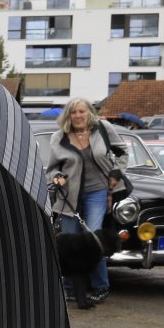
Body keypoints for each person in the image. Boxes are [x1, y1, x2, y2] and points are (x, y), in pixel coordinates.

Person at [46, 97, 127, 303]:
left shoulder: (103, 129)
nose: (78, 116)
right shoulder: (58, 137)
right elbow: (52, 168)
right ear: (68, 116)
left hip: (97, 192)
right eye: (73, 112)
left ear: (89, 112)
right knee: (69, 241)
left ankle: (100, 286)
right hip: (69, 195)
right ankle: (69, 288)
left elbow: (122, 152)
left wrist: (117, 171)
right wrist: (57, 177)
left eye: (82, 111)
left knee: (94, 239)